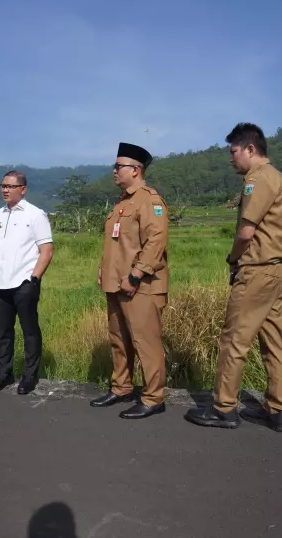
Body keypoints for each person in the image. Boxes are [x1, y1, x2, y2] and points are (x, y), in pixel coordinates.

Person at [185, 123, 282, 432]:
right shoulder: (278, 177)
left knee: (234, 340)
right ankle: (276, 410)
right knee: (274, 341)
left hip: (258, 270)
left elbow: (246, 232)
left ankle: (224, 408)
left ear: (250, 149)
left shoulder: (257, 180)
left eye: (233, 151)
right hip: (279, 269)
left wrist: (233, 259)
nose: (231, 158)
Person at [90, 142, 169, 419]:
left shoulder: (150, 200)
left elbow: (156, 241)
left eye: (118, 166)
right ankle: (121, 387)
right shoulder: (122, 203)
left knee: (145, 342)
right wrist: (104, 269)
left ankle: (153, 397)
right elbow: (116, 244)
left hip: (141, 286)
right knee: (119, 340)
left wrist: (136, 274)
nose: (114, 171)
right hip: (116, 284)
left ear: (135, 170)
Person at [0, 171, 54, 395]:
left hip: (24, 283)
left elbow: (46, 251)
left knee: (29, 330)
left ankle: (29, 376)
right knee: (3, 331)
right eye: (2, 185)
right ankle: (4, 373)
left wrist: (34, 279)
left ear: (23, 189)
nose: (5, 190)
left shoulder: (35, 215)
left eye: (10, 186)